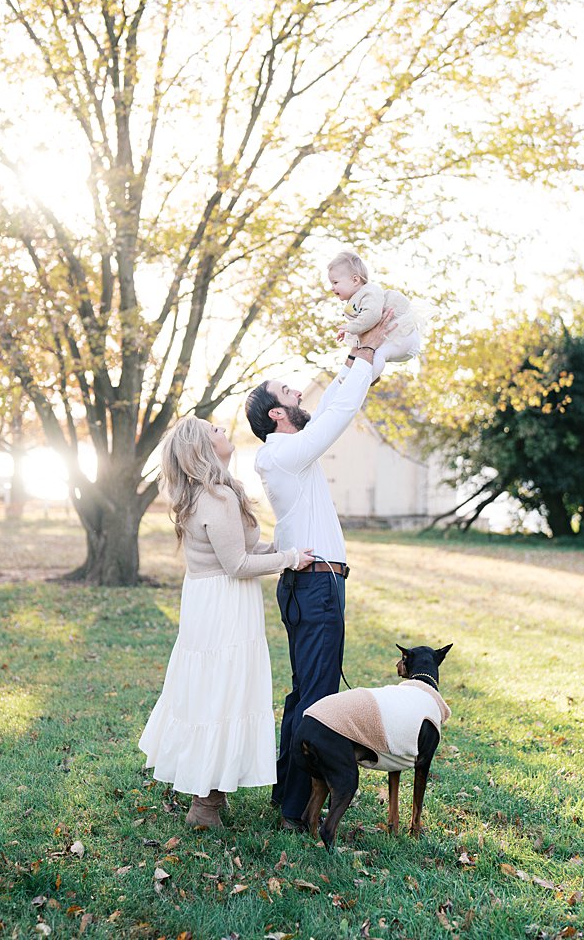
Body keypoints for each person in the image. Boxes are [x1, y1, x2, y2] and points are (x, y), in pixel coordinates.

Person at [244, 311, 395, 829]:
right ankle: (293, 811)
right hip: (315, 588)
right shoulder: (285, 454)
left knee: (302, 693)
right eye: (290, 392)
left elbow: (330, 402)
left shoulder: (287, 452)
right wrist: (368, 360)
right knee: (317, 698)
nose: (300, 395)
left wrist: (354, 356)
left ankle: (284, 792)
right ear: (277, 415)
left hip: (307, 586)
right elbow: (340, 411)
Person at [138, 416, 314, 828]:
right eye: (213, 429)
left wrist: (289, 546)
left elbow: (247, 548)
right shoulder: (214, 499)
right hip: (221, 604)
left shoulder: (215, 492)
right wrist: (288, 560)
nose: (222, 430)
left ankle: (210, 792)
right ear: (202, 447)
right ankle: (206, 806)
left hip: (213, 598)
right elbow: (237, 564)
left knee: (216, 691)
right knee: (221, 693)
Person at [329, 249, 421, 382]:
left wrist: (351, 327)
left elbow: (372, 316)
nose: (332, 288)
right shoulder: (355, 300)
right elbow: (363, 326)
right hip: (393, 338)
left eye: (335, 282)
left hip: (403, 336)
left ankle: (364, 379)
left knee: (379, 354)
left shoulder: (370, 292)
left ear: (355, 280)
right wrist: (350, 332)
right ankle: (367, 375)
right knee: (372, 353)